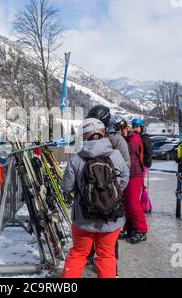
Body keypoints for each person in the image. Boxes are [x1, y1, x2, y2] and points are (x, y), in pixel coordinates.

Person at [61, 118, 129, 278]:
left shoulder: (77, 158)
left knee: (78, 254)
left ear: (84, 136)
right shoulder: (117, 155)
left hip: (84, 218)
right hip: (111, 217)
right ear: (103, 133)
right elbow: (124, 182)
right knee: (106, 255)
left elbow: (67, 187)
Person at [121, 122, 148, 244]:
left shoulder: (134, 138)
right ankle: (129, 228)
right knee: (126, 204)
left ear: (126, 128)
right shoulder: (124, 138)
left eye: (122, 130)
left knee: (133, 203)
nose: (120, 133)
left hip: (134, 174)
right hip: (126, 174)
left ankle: (142, 231)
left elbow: (128, 151)